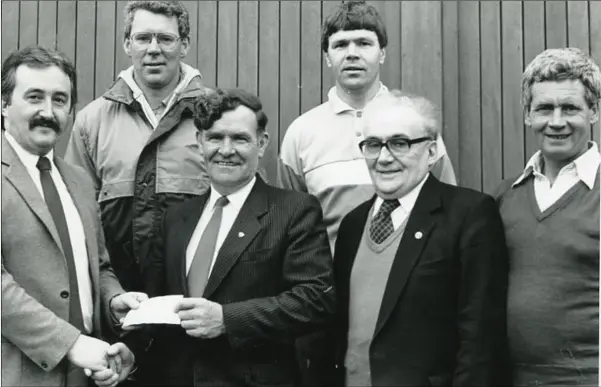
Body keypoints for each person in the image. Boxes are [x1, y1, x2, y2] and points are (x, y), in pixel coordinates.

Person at [143, 88, 336, 386]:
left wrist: (227, 319)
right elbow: (159, 302)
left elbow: (314, 301)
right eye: (215, 137)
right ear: (199, 142)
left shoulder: (295, 210)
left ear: (262, 143)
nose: (226, 149)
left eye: (240, 139)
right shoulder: (176, 218)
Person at [331, 91, 509, 386]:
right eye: (373, 145)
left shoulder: (469, 215)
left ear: (431, 150)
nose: (385, 158)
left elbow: (480, 339)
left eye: (400, 143)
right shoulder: (352, 224)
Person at [1, 46, 146, 387]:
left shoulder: (79, 180)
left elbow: (99, 264)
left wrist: (113, 300)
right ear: (4, 104)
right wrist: (71, 343)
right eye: (34, 97)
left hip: (86, 374)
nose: (47, 112)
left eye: (60, 100)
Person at [278, 0, 457, 253]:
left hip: (414, 279)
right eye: (340, 45)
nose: (352, 53)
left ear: (382, 53)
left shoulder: (416, 124)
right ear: (327, 57)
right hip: (331, 285)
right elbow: (289, 224)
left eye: (364, 43)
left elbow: (448, 205)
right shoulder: (301, 133)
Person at [65, 0, 210, 293]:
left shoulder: (217, 116)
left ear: (184, 45)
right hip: (117, 306)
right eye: (143, 38)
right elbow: (75, 219)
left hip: (199, 303)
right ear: (126, 44)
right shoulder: (91, 122)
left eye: (166, 39)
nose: (153, 49)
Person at [494, 47, 600, 386]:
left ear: (593, 111)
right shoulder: (502, 197)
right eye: (544, 109)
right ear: (527, 115)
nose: (556, 122)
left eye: (569, 108)